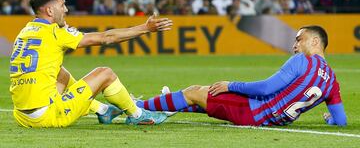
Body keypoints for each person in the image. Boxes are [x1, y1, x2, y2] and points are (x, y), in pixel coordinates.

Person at [9, 0, 173, 128]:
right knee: (105, 73)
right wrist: (145, 28)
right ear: (50, 11)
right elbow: (106, 37)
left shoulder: (25, 32)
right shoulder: (56, 33)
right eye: (62, 5)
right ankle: (138, 115)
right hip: (47, 116)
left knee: (59, 72)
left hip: (22, 116)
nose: (66, 9)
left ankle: (102, 110)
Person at [135, 26, 347, 126]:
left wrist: (231, 84)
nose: (294, 45)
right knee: (204, 96)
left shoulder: (303, 60)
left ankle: (138, 107)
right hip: (273, 118)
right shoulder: (332, 81)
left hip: (255, 112)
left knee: (193, 92)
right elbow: (341, 121)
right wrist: (329, 121)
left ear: (315, 42)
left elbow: (266, 89)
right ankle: (167, 106)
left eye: (299, 39)